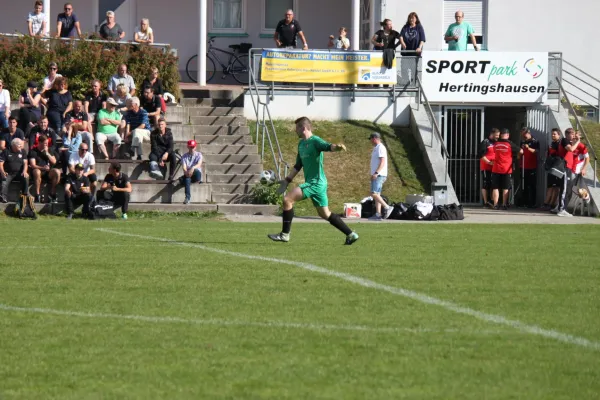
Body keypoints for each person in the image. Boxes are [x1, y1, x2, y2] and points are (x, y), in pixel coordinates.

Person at [268, 117, 359, 245]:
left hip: (316, 183)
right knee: (325, 214)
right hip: (318, 184)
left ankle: (284, 235)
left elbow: (327, 146)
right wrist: (287, 180)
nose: (295, 131)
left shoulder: (315, 141)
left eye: (297, 128)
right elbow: (298, 165)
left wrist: (337, 147)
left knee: (288, 199)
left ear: (303, 128)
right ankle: (351, 234)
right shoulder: (301, 145)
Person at [491, 129, 522, 210]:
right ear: (507, 135)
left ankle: (495, 205)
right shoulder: (509, 143)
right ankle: (504, 204)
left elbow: (494, 151)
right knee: (505, 187)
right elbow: (521, 151)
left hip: (496, 168)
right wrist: (517, 156)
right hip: (506, 169)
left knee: (495, 187)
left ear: (501, 135)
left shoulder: (496, 144)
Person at [367, 132, 393, 220]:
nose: (370, 141)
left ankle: (387, 207)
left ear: (374, 138)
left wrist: (376, 173)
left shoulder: (380, 147)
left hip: (379, 174)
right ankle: (378, 214)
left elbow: (382, 161)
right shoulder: (376, 148)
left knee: (373, 193)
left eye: (370, 139)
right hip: (377, 174)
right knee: (377, 194)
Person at [28, 135, 61, 203]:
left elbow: (54, 161)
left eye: (47, 143)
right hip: (37, 171)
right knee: (37, 172)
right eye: (45, 143)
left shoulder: (49, 150)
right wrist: (43, 168)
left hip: (48, 172)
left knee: (57, 171)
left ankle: (52, 193)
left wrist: (47, 153)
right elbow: (33, 165)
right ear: (39, 142)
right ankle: (37, 194)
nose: (46, 145)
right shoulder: (33, 151)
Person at [555, 128, 578, 217]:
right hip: (564, 167)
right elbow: (570, 149)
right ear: (568, 134)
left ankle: (560, 207)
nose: (573, 136)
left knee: (564, 188)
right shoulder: (565, 140)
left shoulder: (568, 141)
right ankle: (561, 209)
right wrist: (577, 141)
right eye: (572, 134)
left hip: (567, 167)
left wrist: (575, 141)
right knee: (564, 189)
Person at [0, 138, 29, 203]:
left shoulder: (23, 151)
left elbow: (25, 163)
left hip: (19, 173)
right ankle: (3, 197)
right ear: (14, 145)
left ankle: (24, 196)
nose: (21, 146)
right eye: (19, 145)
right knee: (4, 179)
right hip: (9, 173)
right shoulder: (6, 151)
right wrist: (2, 172)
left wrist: (24, 171)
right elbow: (0, 164)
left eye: (21, 145)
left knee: (26, 176)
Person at [478, 128, 499, 208]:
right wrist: (489, 162)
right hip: (486, 166)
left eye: (498, 135)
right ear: (492, 134)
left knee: (493, 184)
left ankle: (492, 200)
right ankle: (485, 202)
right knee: (486, 183)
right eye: (496, 135)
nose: (497, 137)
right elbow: (481, 155)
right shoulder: (485, 142)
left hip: (494, 167)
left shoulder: (496, 143)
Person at [519, 128, 540, 208]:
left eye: (524, 134)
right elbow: (521, 152)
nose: (523, 136)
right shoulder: (522, 141)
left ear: (528, 133)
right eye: (522, 134)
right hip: (523, 166)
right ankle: (524, 202)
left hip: (532, 166)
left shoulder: (535, 141)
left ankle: (532, 203)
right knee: (524, 185)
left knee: (532, 185)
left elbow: (537, 151)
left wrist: (528, 148)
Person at [542, 128, 562, 211]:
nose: (553, 135)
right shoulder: (552, 144)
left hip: (557, 168)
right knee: (550, 186)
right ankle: (546, 203)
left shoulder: (560, 144)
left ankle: (551, 204)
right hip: (550, 167)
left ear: (559, 135)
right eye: (552, 134)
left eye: (554, 134)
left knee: (556, 187)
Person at [179, 139, 203, 205]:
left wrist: (193, 168)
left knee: (195, 170)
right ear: (188, 147)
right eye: (190, 147)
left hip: (196, 174)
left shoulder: (199, 154)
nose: (192, 148)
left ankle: (181, 179)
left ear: (195, 147)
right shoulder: (184, 156)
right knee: (187, 179)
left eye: (193, 147)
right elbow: (184, 167)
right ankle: (187, 198)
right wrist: (186, 172)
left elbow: (199, 164)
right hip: (189, 174)